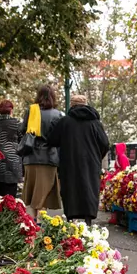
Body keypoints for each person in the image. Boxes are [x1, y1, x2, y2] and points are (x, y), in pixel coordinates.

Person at [47, 94, 109, 225]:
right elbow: (105, 143)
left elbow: (52, 140)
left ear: (72, 105)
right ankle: (88, 220)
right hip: (91, 163)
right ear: (86, 104)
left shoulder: (65, 122)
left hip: (69, 162)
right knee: (89, 187)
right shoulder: (95, 123)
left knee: (71, 188)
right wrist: (98, 157)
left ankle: (71, 219)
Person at [20, 85, 63, 216]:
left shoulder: (31, 111)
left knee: (32, 192)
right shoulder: (58, 115)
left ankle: (33, 222)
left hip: (31, 156)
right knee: (44, 192)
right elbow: (60, 138)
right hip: (49, 158)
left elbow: (22, 131)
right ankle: (41, 223)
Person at [0, 99, 23, 197]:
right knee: (11, 195)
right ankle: (9, 212)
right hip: (13, 162)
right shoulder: (16, 123)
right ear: (11, 110)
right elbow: (21, 140)